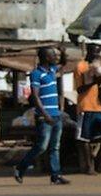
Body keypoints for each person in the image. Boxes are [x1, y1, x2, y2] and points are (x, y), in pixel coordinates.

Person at [14, 46, 70, 185]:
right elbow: (35, 96)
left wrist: (62, 51)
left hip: (56, 115)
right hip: (45, 117)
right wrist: (45, 115)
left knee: (55, 147)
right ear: (46, 57)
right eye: (53, 55)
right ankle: (20, 168)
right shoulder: (36, 74)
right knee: (41, 147)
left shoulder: (51, 70)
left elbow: (63, 63)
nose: (55, 58)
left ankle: (55, 175)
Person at [74, 43, 101, 174]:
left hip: (97, 106)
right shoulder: (81, 66)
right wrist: (94, 82)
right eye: (94, 52)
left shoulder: (98, 66)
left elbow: (100, 83)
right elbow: (80, 89)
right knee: (84, 138)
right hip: (85, 106)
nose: (96, 55)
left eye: (98, 52)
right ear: (88, 52)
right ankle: (88, 166)